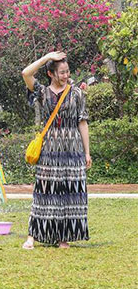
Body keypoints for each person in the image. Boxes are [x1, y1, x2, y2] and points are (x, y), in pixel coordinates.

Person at [21, 51, 91, 249]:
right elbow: (26, 73)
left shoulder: (76, 93)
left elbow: (83, 123)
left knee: (70, 193)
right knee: (44, 191)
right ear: (51, 73)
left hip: (73, 149)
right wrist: (46, 58)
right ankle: (32, 236)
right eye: (61, 72)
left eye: (67, 71)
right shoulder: (42, 92)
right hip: (49, 150)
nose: (65, 75)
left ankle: (63, 238)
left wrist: (87, 152)